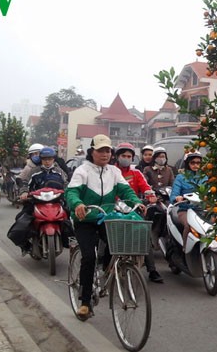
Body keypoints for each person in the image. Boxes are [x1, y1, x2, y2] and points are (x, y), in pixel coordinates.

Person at [65, 134, 144, 318]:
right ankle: (85, 302)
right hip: (85, 220)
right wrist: (77, 204)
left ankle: (105, 272)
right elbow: (72, 192)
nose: (105, 154)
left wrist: (136, 201)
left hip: (105, 217)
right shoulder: (82, 171)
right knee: (89, 256)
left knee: (117, 244)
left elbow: (126, 189)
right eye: (101, 150)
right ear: (92, 152)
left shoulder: (114, 172)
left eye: (108, 150)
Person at [170, 151, 217, 280]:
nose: (196, 165)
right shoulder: (181, 177)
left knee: (214, 231)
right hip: (185, 210)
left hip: (204, 211)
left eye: (198, 163)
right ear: (188, 164)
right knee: (188, 226)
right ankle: (184, 253)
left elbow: (213, 192)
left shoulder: (205, 177)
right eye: (193, 163)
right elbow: (173, 195)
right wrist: (178, 198)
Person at [115, 142, 164, 283]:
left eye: (129, 156)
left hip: (134, 209)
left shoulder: (136, 173)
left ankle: (152, 270)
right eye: (123, 155)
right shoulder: (111, 171)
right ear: (117, 157)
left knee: (145, 236)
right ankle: (104, 263)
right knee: (107, 236)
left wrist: (151, 196)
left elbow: (146, 187)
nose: (126, 158)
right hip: (114, 210)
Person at [8, 147, 69, 255]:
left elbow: (66, 185)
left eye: (49, 159)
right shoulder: (34, 171)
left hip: (57, 202)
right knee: (20, 220)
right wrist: (24, 192)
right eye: (44, 159)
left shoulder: (59, 172)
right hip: (36, 202)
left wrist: (68, 194)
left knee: (69, 220)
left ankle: (68, 243)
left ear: (53, 159)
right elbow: (25, 183)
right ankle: (25, 245)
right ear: (41, 159)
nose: (47, 161)